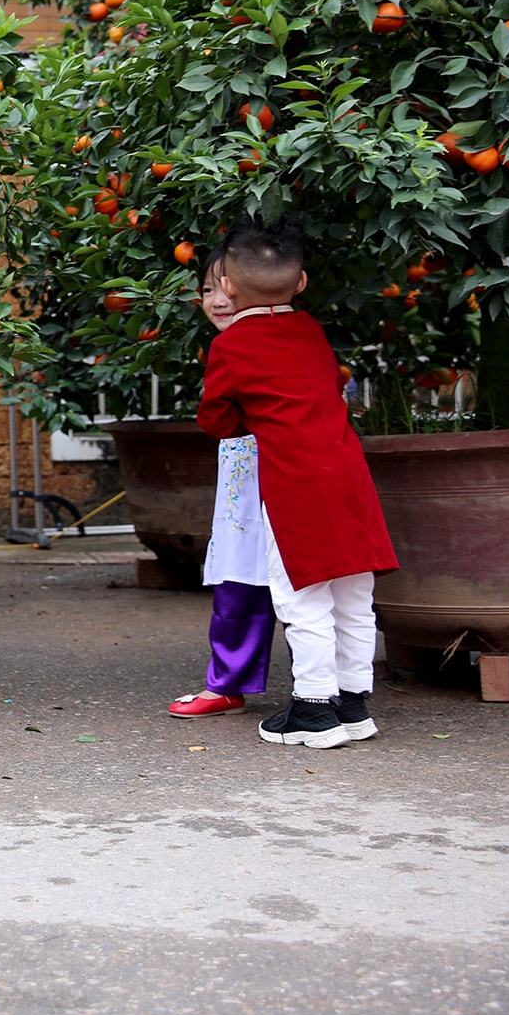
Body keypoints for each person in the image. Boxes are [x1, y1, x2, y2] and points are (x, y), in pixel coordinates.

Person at [197, 214, 398, 748]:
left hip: (295, 486)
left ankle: (313, 710)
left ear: (228, 287)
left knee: (303, 598)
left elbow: (215, 419)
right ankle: (354, 704)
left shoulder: (232, 345)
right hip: (349, 477)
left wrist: (249, 418)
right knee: (356, 593)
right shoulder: (311, 330)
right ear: (301, 282)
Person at [169, 248, 277, 719]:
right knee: (238, 578)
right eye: (209, 289)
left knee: (291, 583)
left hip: (285, 473)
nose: (219, 299)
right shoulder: (227, 347)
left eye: (229, 287)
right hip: (244, 473)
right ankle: (228, 681)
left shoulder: (274, 341)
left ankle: (327, 686)